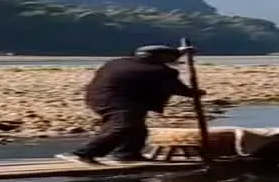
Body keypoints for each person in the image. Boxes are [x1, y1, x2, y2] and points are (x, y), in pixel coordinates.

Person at [57, 45, 204, 165]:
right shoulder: (160, 71)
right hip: (119, 100)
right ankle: (82, 153)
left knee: (137, 129)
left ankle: (126, 154)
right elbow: (177, 89)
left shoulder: (117, 62)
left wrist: (180, 51)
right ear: (161, 59)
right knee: (123, 126)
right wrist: (197, 93)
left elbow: (161, 56)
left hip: (98, 97)